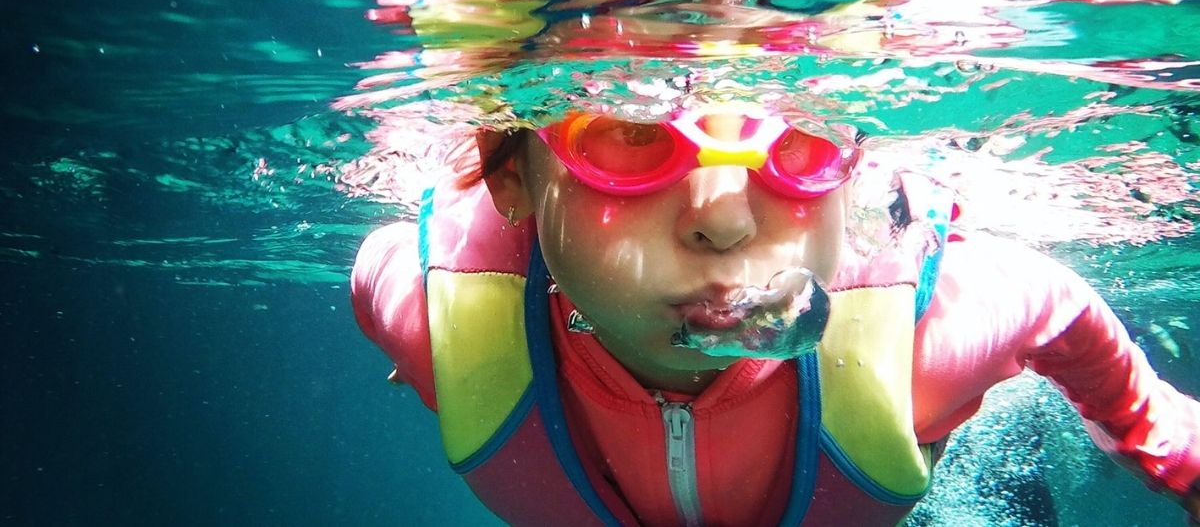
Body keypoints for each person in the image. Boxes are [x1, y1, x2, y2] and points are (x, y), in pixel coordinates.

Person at [350, 103, 1200, 525]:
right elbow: (374, 270)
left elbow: (1054, 303)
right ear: (513, 180)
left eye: (794, 133)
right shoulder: (446, 323)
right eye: (632, 127)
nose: (724, 216)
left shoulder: (914, 347)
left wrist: (1159, 440)